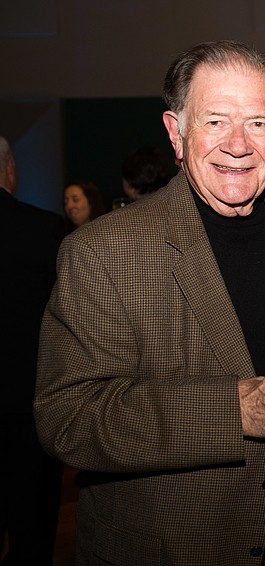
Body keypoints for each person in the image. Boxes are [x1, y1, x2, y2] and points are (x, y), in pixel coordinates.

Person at [35, 40, 265, 566]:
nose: (237, 144)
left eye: (256, 122)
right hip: (179, 551)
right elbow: (67, 419)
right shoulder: (101, 251)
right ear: (175, 132)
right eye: (215, 121)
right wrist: (235, 411)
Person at [0, 136, 66, 565]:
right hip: (27, 402)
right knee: (32, 529)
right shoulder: (44, 229)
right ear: (9, 169)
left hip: (27, 401)